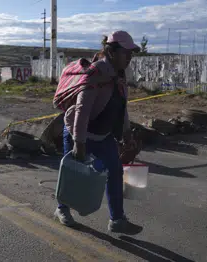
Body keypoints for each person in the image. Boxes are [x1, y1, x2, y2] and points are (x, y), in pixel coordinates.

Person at [53, 31, 140, 233]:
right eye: (125, 53)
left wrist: (127, 133)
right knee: (71, 174)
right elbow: (82, 111)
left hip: (103, 134)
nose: (129, 58)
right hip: (79, 132)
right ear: (111, 52)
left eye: (131, 54)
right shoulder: (96, 74)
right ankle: (62, 208)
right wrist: (79, 144)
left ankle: (117, 220)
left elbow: (121, 107)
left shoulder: (119, 76)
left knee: (115, 172)